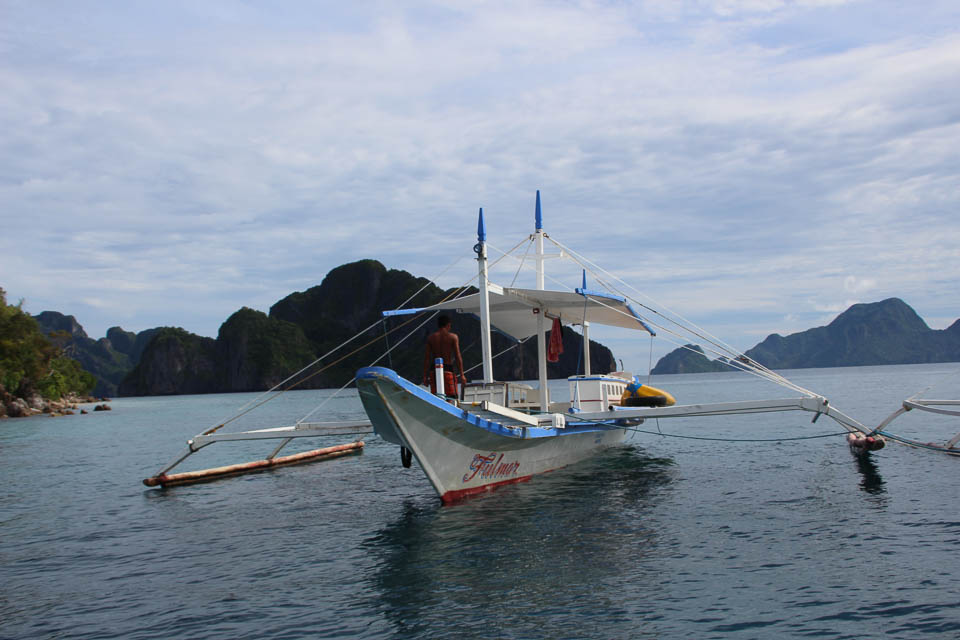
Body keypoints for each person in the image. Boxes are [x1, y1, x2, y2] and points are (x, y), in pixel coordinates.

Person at [423, 314, 467, 397]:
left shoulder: (431, 338)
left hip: (434, 370)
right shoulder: (453, 337)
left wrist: (425, 376)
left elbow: (427, 359)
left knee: (436, 396)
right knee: (451, 396)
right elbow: (458, 356)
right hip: (448, 369)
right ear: (448, 325)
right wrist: (462, 375)